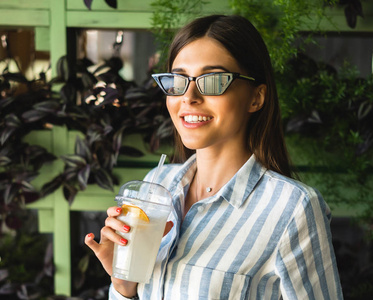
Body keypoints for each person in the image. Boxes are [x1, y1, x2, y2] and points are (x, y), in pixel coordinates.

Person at [85, 14, 344, 299]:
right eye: (179, 80)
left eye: (213, 80)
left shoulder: (293, 208)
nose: (189, 97)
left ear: (256, 97)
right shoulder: (156, 183)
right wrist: (124, 287)